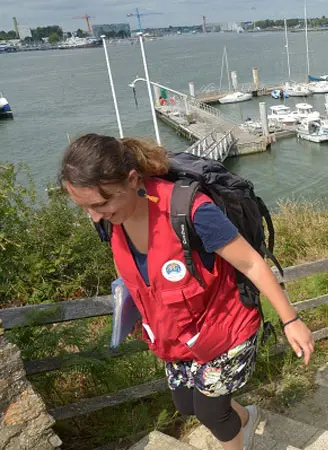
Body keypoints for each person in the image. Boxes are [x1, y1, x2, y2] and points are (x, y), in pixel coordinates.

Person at [58, 134, 314, 450]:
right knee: (187, 404)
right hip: (178, 334)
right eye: (85, 208)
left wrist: (291, 320)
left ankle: (235, 434)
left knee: (211, 412)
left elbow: (250, 264)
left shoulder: (189, 210)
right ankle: (244, 420)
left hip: (226, 325)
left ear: (132, 179)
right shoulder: (111, 220)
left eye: (101, 204)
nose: (95, 216)